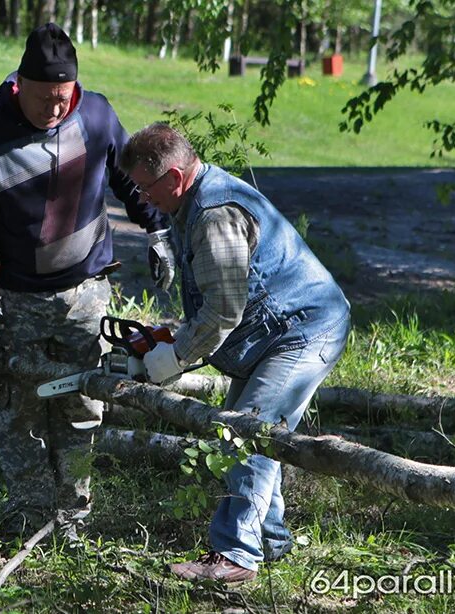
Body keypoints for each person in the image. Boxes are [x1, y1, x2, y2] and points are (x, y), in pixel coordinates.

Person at [0, 24, 172, 539]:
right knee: (16, 409)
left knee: (81, 407)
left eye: (64, 97)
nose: (55, 109)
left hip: (87, 290)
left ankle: (71, 518)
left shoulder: (95, 115)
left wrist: (157, 229)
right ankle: (29, 516)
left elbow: (127, 178)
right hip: (17, 297)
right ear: (19, 85)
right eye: (45, 98)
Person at [119, 123, 351, 583]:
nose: (143, 199)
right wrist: (171, 331)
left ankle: (235, 556)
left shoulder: (213, 215)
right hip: (273, 330)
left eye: (147, 189)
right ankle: (270, 538)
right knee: (254, 431)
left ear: (175, 178)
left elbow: (223, 311)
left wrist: (173, 359)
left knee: (244, 435)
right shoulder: (192, 201)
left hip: (303, 329)